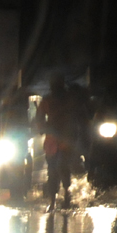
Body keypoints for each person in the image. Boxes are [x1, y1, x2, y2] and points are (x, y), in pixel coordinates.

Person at [37, 74, 79, 210]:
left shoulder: (70, 99)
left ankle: (66, 194)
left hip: (66, 137)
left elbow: (77, 117)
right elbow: (39, 117)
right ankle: (53, 200)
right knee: (52, 169)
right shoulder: (47, 100)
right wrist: (41, 128)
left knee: (62, 166)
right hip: (52, 138)